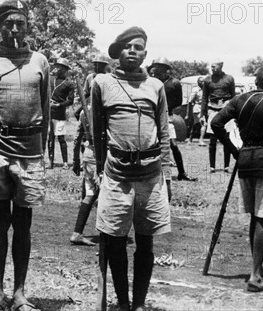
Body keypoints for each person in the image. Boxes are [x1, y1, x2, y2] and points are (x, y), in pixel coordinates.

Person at [0, 0, 49, 311]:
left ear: (28, 25)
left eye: (20, 22)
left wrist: (41, 154)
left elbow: (43, 110)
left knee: (24, 224)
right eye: (8, 24)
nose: (15, 28)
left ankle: (19, 295)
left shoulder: (40, 61)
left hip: (29, 155)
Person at [92, 27, 171, 311]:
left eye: (138, 47)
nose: (133, 51)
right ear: (118, 53)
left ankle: (138, 303)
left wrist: (168, 173)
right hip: (116, 174)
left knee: (146, 243)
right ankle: (122, 302)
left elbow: (164, 133)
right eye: (127, 47)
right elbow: (97, 131)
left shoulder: (156, 87)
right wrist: (97, 167)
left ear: (145, 54)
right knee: (115, 241)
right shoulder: (103, 83)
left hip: (150, 175)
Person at [211, 65, 263, 292]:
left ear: (255, 82)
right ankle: (256, 274)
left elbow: (215, 123)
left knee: (254, 217)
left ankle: (256, 268)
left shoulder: (238, 100)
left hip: (245, 160)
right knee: (262, 218)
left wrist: (234, 149)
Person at [70, 55, 111, 246]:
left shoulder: (84, 110)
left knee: (91, 192)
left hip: (87, 154)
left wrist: (76, 160)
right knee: (101, 193)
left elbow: (77, 137)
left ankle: (79, 232)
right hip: (98, 155)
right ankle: (102, 235)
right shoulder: (102, 111)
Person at [151, 57, 197, 181]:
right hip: (152, 116)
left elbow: (179, 101)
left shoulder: (174, 83)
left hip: (167, 116)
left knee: (173, 144)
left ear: (166, 70)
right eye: (156, 67)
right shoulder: (152, 82)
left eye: (160, 67)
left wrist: (165, 108)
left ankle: (181, 172)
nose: (157, 70)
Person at [201, 60, 235, 173]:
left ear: (221, 66)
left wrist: (234, 112)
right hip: (212, 109)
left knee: (227, 137)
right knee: (212, 139)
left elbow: (233, 96)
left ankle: (226, 166)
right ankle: (212, 166)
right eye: (211, 66)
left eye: (214, 66)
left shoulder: (229, 79)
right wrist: (203, 114)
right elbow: (204, 98)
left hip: (226, 109)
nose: (212, 68)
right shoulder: (207, 80)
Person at [48, 58, 75, 170]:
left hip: (60, 114)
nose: (57, 68)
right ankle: (50, 162)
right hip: (50, 113)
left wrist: (59, 105)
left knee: (60, 138)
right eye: (57, 66)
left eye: (60, 67)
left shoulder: (69, 84)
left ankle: (65, 163)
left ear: (65, 69)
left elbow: (71, 100)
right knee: (50, 138)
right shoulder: (51, 80)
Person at [187, 76, 207, 146]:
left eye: (204, 81)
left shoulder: (206, 90)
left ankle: (190, 139)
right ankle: (200, 140)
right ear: (198, 82)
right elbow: (190, 101)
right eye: (201, 81)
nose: (203, 83)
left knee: (196, 125)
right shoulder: (195, 90)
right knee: (203, 124)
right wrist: (187, 114)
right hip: (197, 108)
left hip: (204, 109)